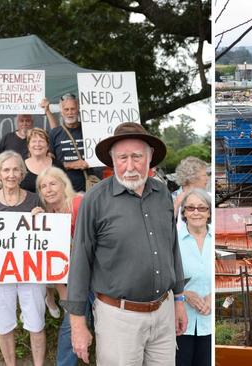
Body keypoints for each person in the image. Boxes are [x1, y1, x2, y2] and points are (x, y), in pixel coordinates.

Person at [65, 122, 187, 365]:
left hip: (163, 314)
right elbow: (80, 259)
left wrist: (179, 299)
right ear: (112, 160)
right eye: (122, 158)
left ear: (150, 157)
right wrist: (77, 323)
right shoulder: (95, 200)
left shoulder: (162, 193)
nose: (129, 166)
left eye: (137, 157)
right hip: (118, 318)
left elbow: (171, 248)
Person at [0, 150, 46, 366]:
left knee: (36, 323)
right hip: (0, 274)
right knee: (3, 324)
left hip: (30, 272)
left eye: (15, 170)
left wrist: (43, 218)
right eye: (6, 170)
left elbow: (48, 238)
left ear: (22, 174)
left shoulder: (35, 200)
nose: (11, 174)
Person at [31, 167, 85, 366]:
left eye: (53, 183)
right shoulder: (48, 214)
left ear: (64, 184)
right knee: (72, 320)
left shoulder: (79, 204)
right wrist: (37, 223)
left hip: (94, 275)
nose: (48, 189)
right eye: (43, 186)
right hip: (73, 280)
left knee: (77, 320)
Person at [176, 188, 212, 366]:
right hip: (181, 323)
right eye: (190, 208)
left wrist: (214, 297)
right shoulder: (173, 241)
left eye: (202, 208)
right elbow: (162, 279)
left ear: (209, 212)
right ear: (184, 213)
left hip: (210, 323)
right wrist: (183, 294)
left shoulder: (218, 239)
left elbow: (234, 281)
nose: (196, 212)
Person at [44, 94, 94, 192]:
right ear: (61, 112)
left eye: (73, 109)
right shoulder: (54, 133)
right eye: (66, 109)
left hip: (90, 186)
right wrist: (70, 165)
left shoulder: (89, 129)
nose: (70, 113)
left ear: (78, 109)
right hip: (64, 189)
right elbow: (49, 161)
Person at [20, 128, 59, 193]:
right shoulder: (20, 167)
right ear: (28, 146)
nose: (37, 144)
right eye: (34, 141)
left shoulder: (57, 165)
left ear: (47, 146)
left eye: (41, 141)